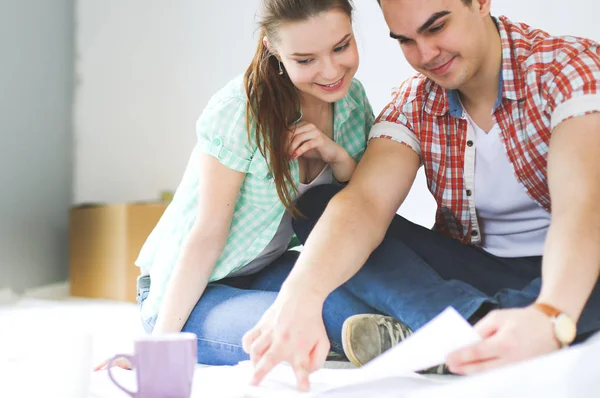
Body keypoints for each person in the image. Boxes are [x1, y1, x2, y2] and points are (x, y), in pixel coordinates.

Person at [242, 0, 600, 391]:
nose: (426, 55)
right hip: (480, 275)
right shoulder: (415, 102)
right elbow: (365, 204)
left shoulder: (566, 68)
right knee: (320, 205)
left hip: (582, 266)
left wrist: (551, 313)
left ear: (480, 3)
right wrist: (299, 297)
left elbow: (583, 202)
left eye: (436, 27)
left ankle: (490, 328)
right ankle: (479, 325)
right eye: (406, 40)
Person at [95, 0, 374, 370]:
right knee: (302, 325)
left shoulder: (352, 102)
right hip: (189, 290)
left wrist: (339, 158)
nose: (331, 70)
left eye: (341, 46)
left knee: (357, 306)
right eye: (306, 60)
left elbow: (363, 209)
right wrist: (159, 346)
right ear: (274, 49)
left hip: (265, 269)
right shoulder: (239, 111)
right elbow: (207, 235)